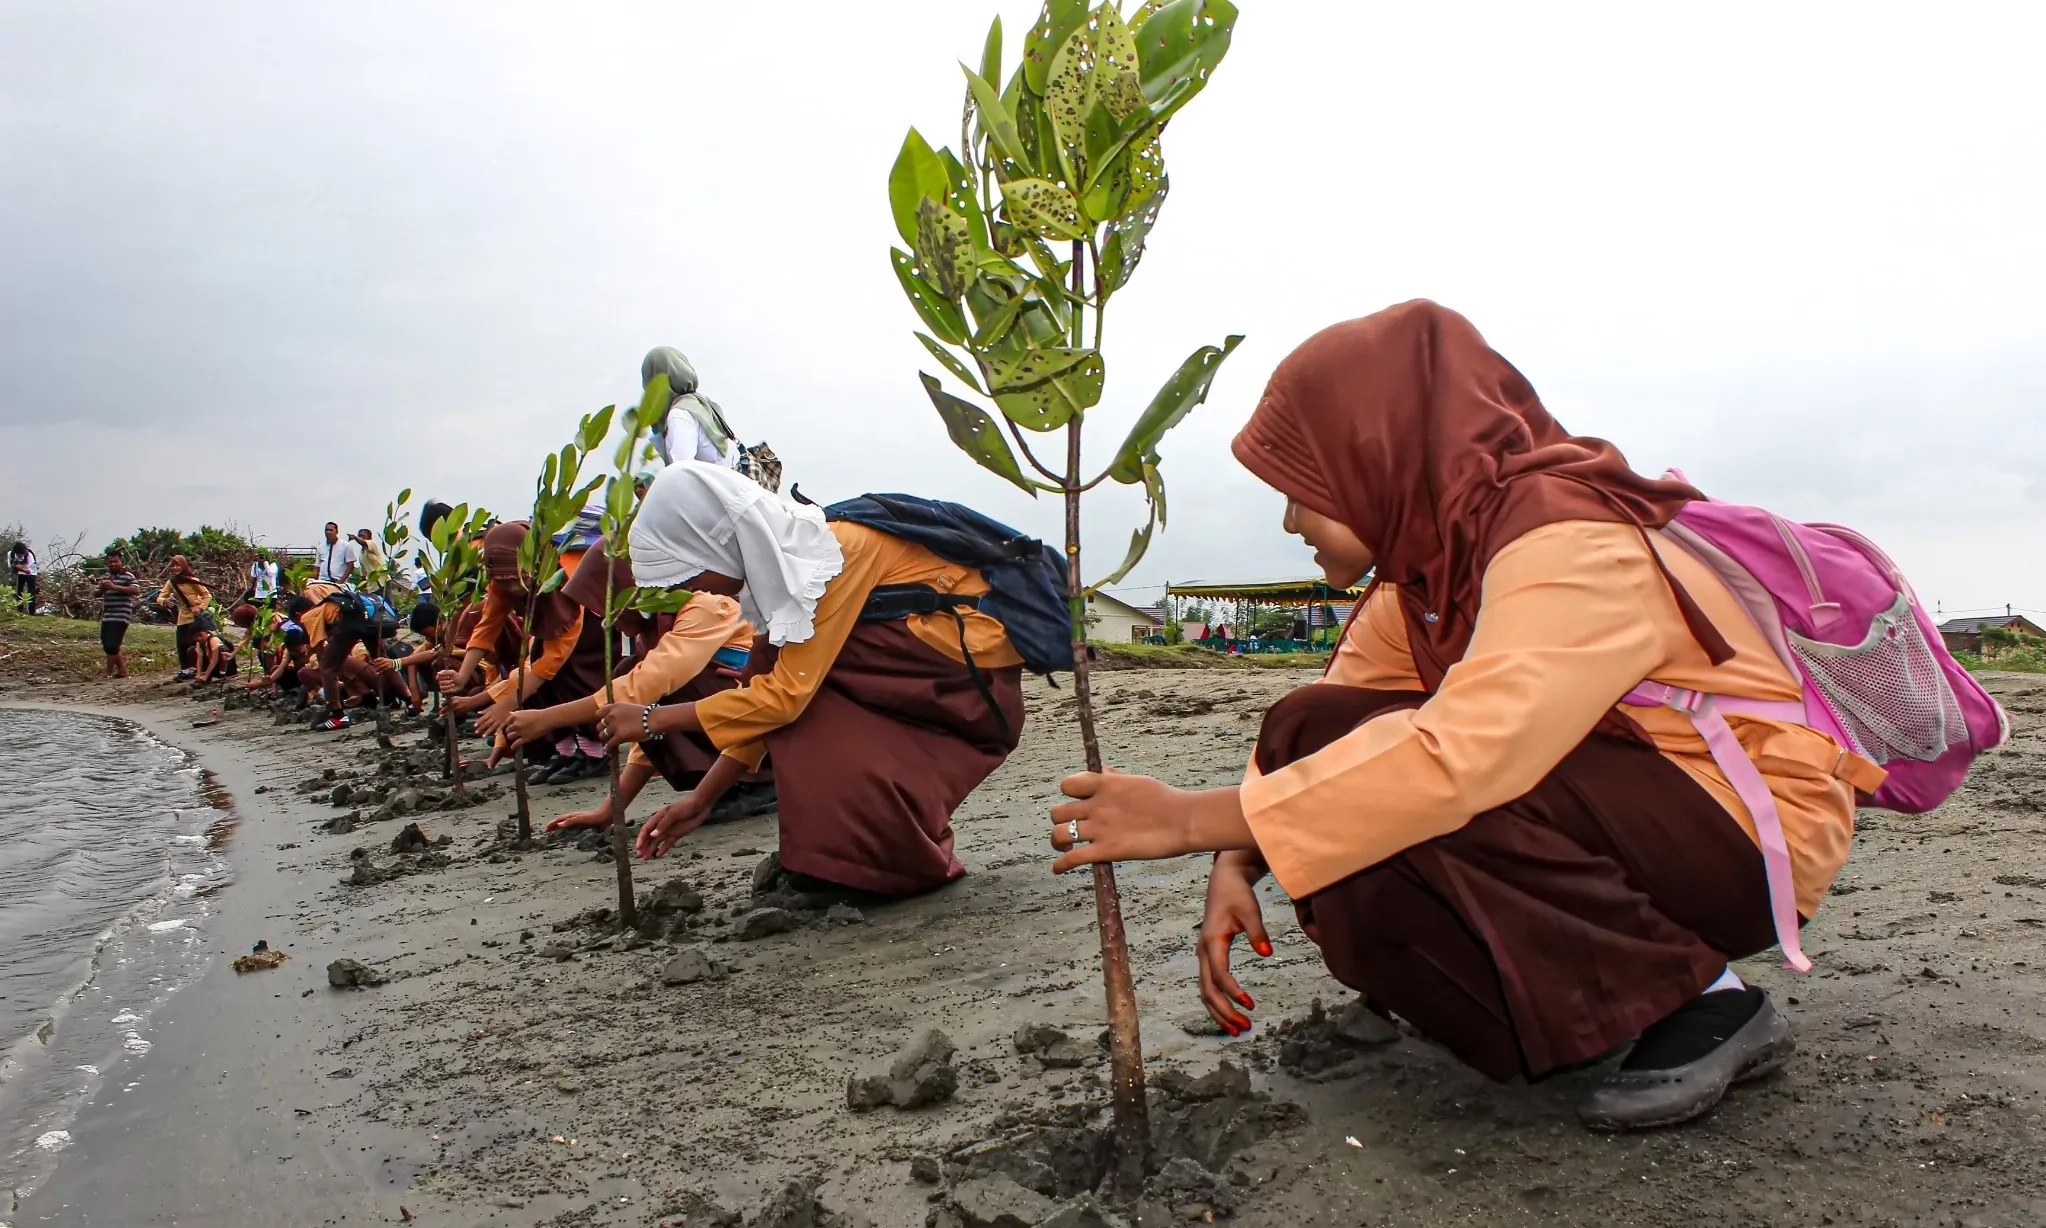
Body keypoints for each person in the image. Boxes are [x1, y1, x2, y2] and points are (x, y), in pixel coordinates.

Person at [1043, 301, 1876, 1133]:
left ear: (1378, 455)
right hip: (1618, 802)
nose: (1291, 521)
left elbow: (1466, 757)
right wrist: (1235, 861)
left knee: (1440, 779)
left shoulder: (1568, 538)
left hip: (1739, 836)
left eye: (1303, 491)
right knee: (1310, 727)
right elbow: (1319, 733)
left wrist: (1188, 819)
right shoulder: (1426, 569)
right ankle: (1514, 1010)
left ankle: (1707, 998)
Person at [580, 462, 1026, 895]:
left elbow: (784, 699)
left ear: (721, 544)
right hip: (924, 673)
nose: (699, 589)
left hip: (966, 681)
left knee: (808, 700)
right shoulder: (784, 580)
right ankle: (850, 859)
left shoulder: (831, 557)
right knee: (780, 678)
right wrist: (703, 798)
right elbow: (769, 692)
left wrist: (652, 719)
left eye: (692, 572)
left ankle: (887, 862)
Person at [505, 538, 770, 822]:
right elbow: (641, 726)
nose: (606, 620)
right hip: (737, 724)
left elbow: (644, 691)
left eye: (609, 605)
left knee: (645, 681)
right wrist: (610, 810)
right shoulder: (654, 627)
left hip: (765, 729)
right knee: (630, 674)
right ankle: (726, 783)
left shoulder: (705, 606)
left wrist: (546, 719)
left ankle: (761, 780)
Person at [437, 521, 612, 780]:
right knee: (546, 691)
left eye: (517, 581)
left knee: (576, 685)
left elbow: (552, 661)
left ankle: (595, 754)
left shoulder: (560, 587)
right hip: (543, 634)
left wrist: (507, 703)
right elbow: (486, 628)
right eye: (504, 583)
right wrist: (462, 675)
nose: (512, 589)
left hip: (586, 638)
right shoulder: (502, 582)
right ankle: (567, 753)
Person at [156, 556, 214, 679]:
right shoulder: (171, 582)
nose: (175, 568)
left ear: (184, 566)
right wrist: (164, 601)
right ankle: (186, 670)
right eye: (173, 565)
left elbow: (207, 596)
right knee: (182, 644)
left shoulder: (192, 580)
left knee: (197, 644)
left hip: (196, 616)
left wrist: (200, 608)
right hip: (183, 616)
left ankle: (201, 668)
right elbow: (160, 597)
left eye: (178, 565)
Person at [97, 550, 141, 679]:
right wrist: (102, 588)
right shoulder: (105, 576)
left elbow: (135, 590)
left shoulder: (128, 576)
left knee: (112, 645)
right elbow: (96, 594)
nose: (113, 564)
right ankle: (122, 671)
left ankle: (108, 672)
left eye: (116, 561)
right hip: (108, 614)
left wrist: (114, 586)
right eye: (111, 562)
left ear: (121, 561)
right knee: (107, 644)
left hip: (122, 614)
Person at [316, 522, 359, 586]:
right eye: (326, 530)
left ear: (336, 532)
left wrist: (340, 583)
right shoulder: (320, 547)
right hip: (322, 582)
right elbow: (317, 566)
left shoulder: (345, 546)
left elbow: (350, 566)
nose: (328, 532)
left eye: (331, 530)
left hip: (338, 581)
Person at [8, 541, 37, 613]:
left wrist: (18, 566)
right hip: (20, 573)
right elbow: (11, 565)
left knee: (31, 592)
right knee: (19, 591)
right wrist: (19, 567)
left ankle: (32, 612)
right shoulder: (10, 554)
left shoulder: (29, 555)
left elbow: (28, 571)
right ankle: (19, 610)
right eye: (19, 554)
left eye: (22, 554)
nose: (21, 556)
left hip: (31, 573)